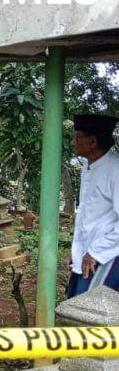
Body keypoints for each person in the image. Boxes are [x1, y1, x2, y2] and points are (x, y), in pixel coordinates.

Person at [66, 113, 119, 297]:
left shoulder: (115, 169)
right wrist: (76, 250)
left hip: (108, 255)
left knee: (88, 306)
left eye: (77, 137)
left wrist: (96, 252)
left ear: (93, 141)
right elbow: (88, 215)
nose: (72, 143)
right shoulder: (89, 166)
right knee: (73, 301)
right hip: (89, 252)